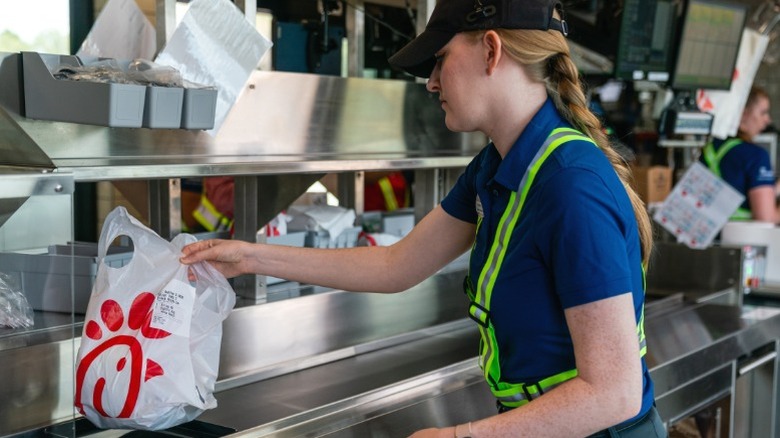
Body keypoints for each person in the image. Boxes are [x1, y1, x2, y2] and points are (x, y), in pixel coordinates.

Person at [180, 0, 664, 436]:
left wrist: (460, 437)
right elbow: (397, 266)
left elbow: (611, 392)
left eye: (439, 60)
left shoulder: (570, 185)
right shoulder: (497, 164)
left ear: (491, 50)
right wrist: (249, 256)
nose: (432, 82)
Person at [701, 86, 778, 223]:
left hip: (705, 238)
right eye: (763, 113)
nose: (768, 120)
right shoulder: (756, 156)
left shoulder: (711, 148)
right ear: (743, 114)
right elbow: (766, 217)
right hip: (742, 240)